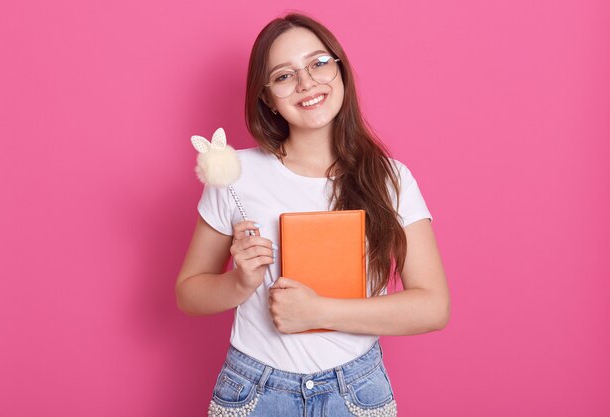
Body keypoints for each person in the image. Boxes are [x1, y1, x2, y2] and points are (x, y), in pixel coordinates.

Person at [176, 12, 450, 417]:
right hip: (254, 390)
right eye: (284, 76)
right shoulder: (235, 174)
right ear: (267, 96)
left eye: (318, 63)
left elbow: (433, 306)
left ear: (339, 70)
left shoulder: (391, 178)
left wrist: (318, 312)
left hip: (356, 392)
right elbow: (188, 293)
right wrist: (240, 281)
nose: (307, 83)